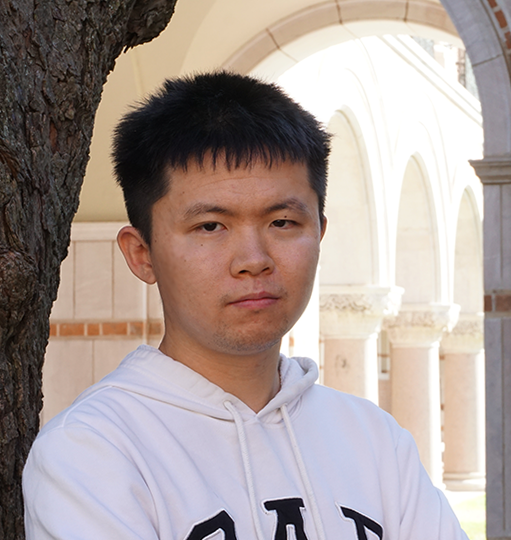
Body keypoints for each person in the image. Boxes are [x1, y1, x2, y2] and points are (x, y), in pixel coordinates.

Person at [23, 71, 468, 540]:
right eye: (211, 227)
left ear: (318, 231)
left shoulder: (375, 441)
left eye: (282, 221)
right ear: (142, 253)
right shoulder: (93, 451)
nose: (253, 261)